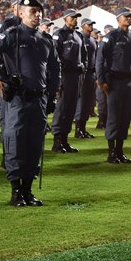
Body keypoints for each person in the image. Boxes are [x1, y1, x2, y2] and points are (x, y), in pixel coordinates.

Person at [0, 0, 59, 207]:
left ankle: (28, 191)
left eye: (39, 11)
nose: (37, 14)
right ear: (21, 14)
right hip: (18, 98)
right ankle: (16, 192)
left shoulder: (45, 39)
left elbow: (55, 68)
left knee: (35, 144)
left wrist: (52, 95)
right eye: (32, 11)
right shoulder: (11, 35)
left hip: (39, 99)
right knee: (16, 142)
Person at [96, 7, 131, 164]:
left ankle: (120, 151)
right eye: (126, 16)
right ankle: (111, 153)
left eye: (130, 17)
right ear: (118, 19)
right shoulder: (111, 37)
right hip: (114, 82)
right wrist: (102, 80)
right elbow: (100, 59)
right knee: (114, 117)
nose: (129, 19)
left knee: (124, 117)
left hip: (127, 82)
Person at [50, 8, 86, 153]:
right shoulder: (59, 34)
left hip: (76, 76)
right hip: (64, 75)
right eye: (72, 17)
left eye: (76, 17)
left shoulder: (78, 35)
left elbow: (84, 56)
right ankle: (57, 141)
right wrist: (57, 81)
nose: (74, 20)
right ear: (65, 19)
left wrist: (82, 67)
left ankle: (65, 140)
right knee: (62, 108)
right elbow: (55, 57)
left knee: (71, 108)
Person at [74, 17, 97, 140]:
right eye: (88, 24)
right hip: (83, 73)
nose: (91, 26)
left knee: (88, 102)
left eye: (91, 24)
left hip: (92, 73)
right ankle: (78, 129)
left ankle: (83, 128)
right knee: (82, 101)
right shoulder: (81, 38)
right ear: (83, 26)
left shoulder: (93, 40)